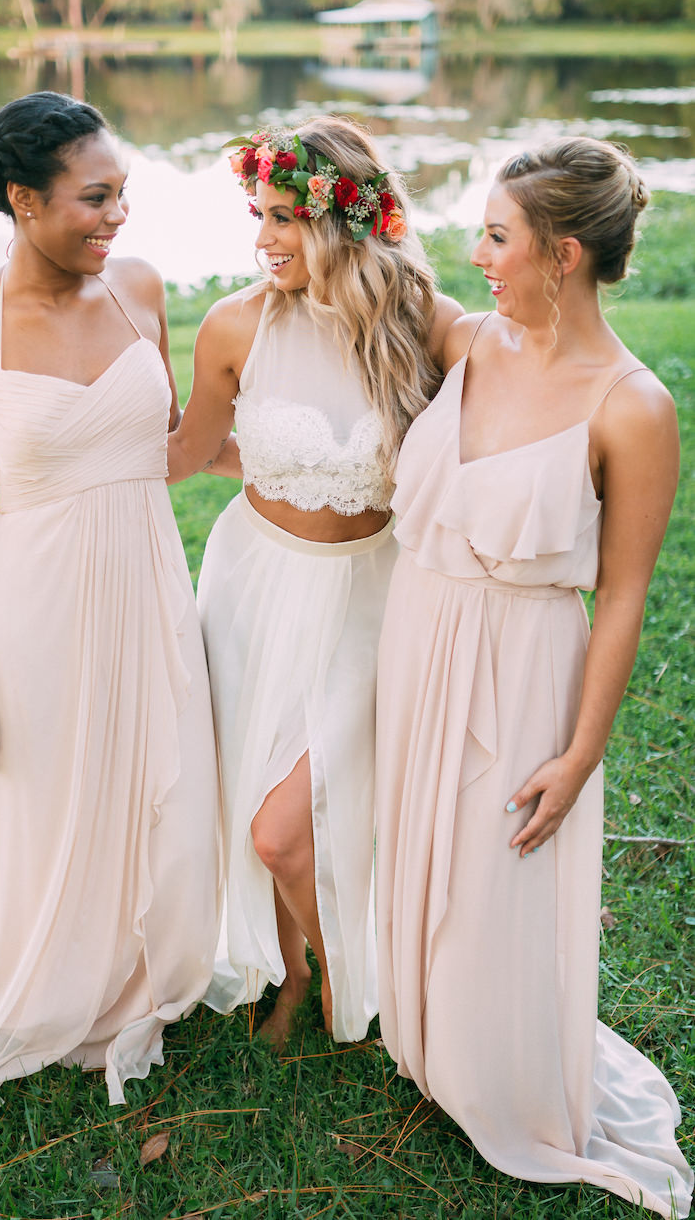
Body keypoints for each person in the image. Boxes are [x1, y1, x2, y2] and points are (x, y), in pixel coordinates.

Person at [0, 91, 221, 1114]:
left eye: (124, 196)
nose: (117, 219)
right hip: (36, 606)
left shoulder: (143, 290)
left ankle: (132, 968)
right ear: (23, 199)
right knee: (47, 794)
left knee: (160, 781)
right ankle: (43, 981)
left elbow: (170, 439)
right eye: (94, 199)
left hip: (148, 584)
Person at [375, 137, 693, 1215]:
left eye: (499, 238)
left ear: (562, 254)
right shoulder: (472, 341)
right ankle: (425, 1037)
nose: (479, 254)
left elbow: (626, 597)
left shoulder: (633, 407)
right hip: (421, 633)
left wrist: (580, 753)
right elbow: (358, 264)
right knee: (421, 848)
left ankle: (502, 1072)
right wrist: (312, 184)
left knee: (495, 869)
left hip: (524, 665)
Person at [168, 115, 461, 1049]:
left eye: (287, 217)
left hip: (368, 599)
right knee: (253, 803)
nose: (264, 240)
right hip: (253, 587)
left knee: (286, 827)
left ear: (349, 218)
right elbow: (190, 452)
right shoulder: (233, 325)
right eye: (258, 215)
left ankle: (341, 971)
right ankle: (292, 972)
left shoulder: (426, 325)